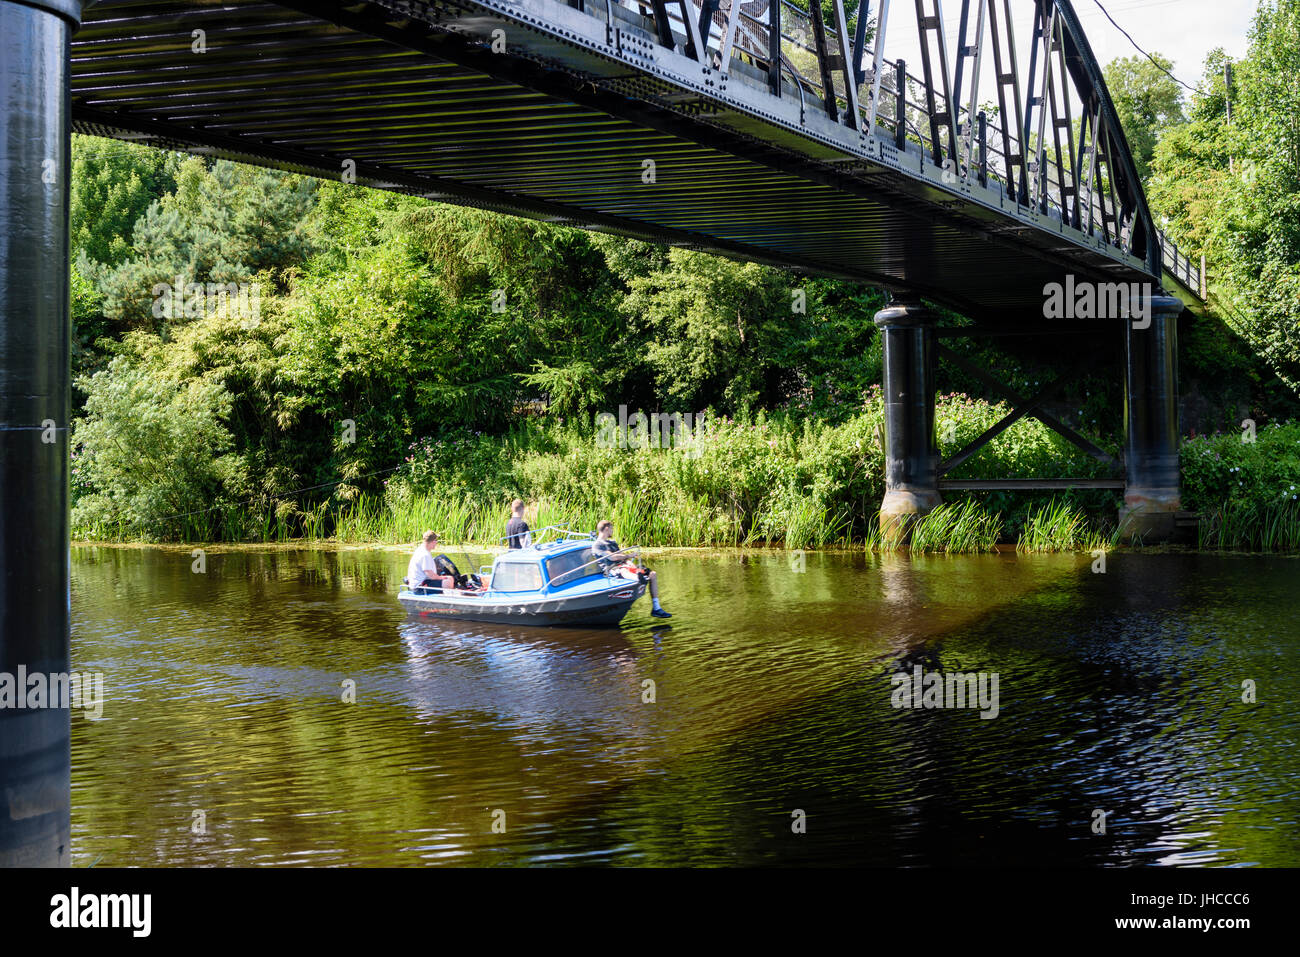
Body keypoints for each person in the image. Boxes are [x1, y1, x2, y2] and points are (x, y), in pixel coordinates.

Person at [591, 519, 671, 618]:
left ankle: (656, 608)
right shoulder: (598, 545)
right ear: (607, 528)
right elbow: (612, 557)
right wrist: (630, 556)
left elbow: (622, 556)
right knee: (623, 571)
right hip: (613, 568)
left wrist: (632, 565)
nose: (612, 531)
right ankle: (638, 578)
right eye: (611, 528)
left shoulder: (612, 543)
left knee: (652, 574)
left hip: (624, 565)